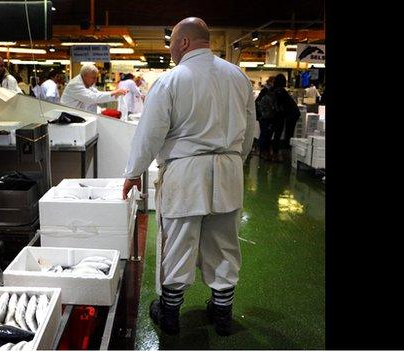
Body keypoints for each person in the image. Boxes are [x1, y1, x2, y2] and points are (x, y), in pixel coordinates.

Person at [122, 17, 256, 337]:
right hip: (228, 171)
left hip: (186, 173)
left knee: (178, 243)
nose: (170, 51)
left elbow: (150, 134)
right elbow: (250, 130)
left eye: (171, 45)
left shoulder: (172, 80)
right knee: (224, 244)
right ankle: (222, 314)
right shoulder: (238, 77)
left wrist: (132, 172)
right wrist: (235, 160)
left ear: (183, 42)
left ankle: (169, 315)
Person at [60, 64, 128, 113]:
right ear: (85, 76)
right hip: (69, 118)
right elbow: (92, 97)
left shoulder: (87, 84)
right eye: (93, 78)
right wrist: (113, 93)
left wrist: (116, 94)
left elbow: (97, 94)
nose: (95, 81)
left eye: (96, 78)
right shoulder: (75, 85)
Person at [271, 74, 301, 153]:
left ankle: (283, 150)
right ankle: (285, 149)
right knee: (288, 132)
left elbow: (279, 105)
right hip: (293, 113)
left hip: (290, 114)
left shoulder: (279, 91)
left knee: (285, 132)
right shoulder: (282, 91)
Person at [255, 76, 275, 161]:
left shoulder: (267, 91)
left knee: (265, 133)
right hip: (265, 116)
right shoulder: (266, 91)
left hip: (263, 116)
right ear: (270, 82)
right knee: (264, 133)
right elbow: (261, 103)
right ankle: (262, 151)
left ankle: (262, 151)